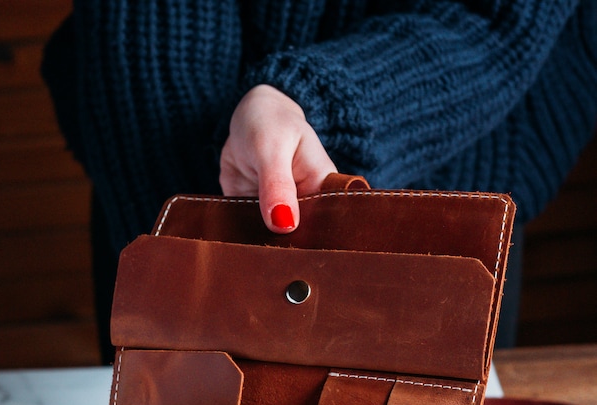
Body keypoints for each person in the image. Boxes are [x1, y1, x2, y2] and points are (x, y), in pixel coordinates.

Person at [42, 2, 597, 363]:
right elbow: (149, 33)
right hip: (166, 166)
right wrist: (203, 226)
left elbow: (495, 21)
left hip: (450, 184)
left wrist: (307, 105)